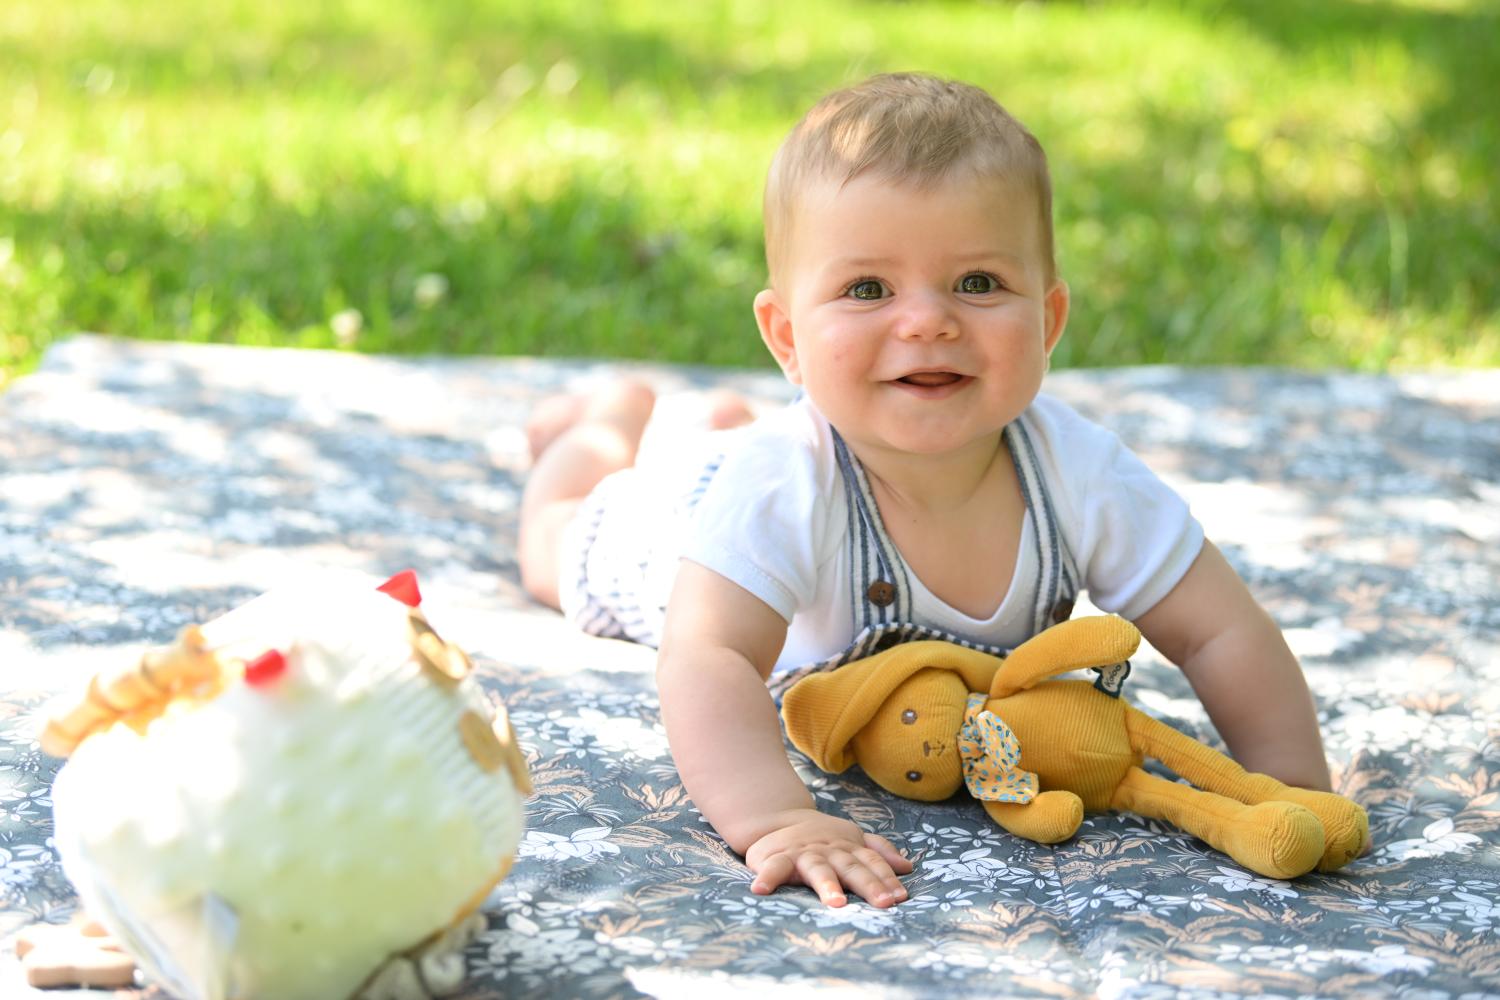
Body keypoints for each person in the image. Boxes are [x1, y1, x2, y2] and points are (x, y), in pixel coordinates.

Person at [516, 72, 1333, 911]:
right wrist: (776, 819)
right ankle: (597, 429)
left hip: (747, 489)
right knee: (557, 545)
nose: (927, 322)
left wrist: (1287, 782)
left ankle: (696, 427)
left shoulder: (1080, 472)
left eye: (977, 283)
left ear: (1048, 322)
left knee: (713, 452)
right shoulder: (785, 482)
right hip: (678, 533)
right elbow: (709, 654)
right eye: (868, 289)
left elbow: (1220, 630)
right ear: (788, 338)